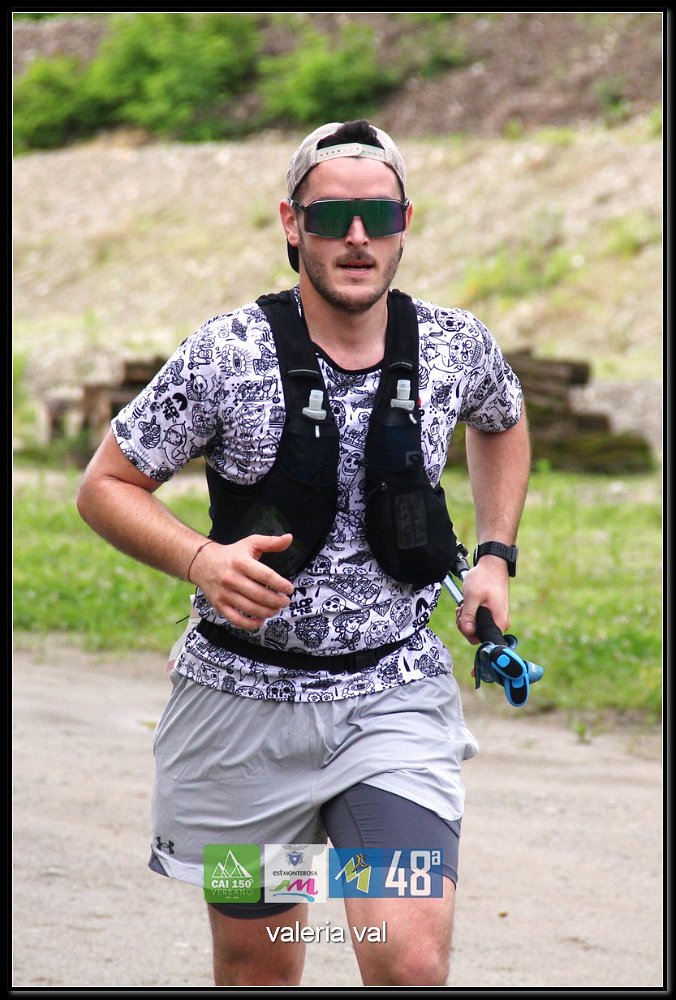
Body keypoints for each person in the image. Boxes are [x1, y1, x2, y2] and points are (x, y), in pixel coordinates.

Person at [76, 119, 530, 987]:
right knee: (261, 964)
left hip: (391, 700)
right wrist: (201, 561)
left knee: (407, 957)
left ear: (405, 223)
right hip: (239, 719)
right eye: (331, 217)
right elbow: (106, 485)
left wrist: (495, 556)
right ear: (292, 223)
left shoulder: (453, 345)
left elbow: (501, 421)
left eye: (378, 215)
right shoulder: (227, 354)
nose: (357, 237)